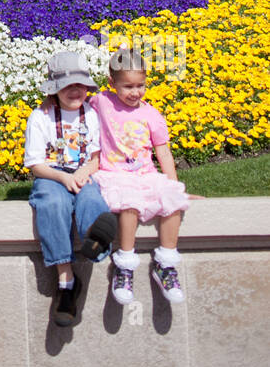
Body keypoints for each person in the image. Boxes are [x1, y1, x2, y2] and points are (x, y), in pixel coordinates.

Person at [24, 50, 117, 327]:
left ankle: (96, 241)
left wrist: (82, 173)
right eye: (67, 86)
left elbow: (98, 156)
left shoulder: (92, 114)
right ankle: (66, 281)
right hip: (52, 176)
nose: (74, 91)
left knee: (90, 199)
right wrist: (64, 179)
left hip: (84, 172)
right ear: (54, 89)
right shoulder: (40, 117)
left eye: (80, 85)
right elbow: (35, 164)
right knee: (53, 205)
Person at [92, 47, 191, 305]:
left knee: (172, 200)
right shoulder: (102, 102)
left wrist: (174, 184)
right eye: (128, 87)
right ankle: (125, 266)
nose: (135, 92)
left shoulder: (151, 114)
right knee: (129, 203)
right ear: (112, 83)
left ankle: (166, 264)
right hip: (115, 174)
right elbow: (73, 93)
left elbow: (164, 153)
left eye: (141, 85)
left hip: (146, 174)